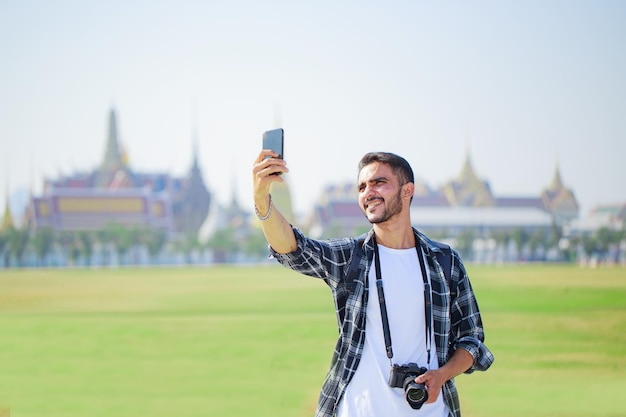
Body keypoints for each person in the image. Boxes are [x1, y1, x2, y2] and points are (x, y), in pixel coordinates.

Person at [252, 150, 494, 417]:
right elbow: (293, 248)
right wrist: (261, 199)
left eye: (379, 182)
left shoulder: (443, 262)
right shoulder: (351, 257)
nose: (368, 192)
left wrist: (442, 375)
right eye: (362, 187)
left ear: (407, 190)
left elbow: (472, 340)